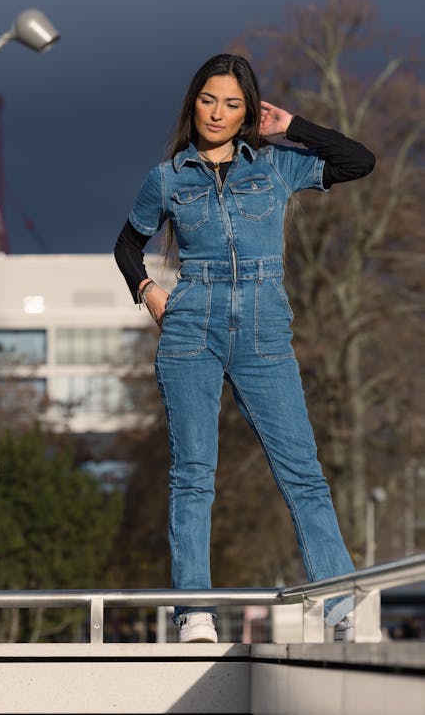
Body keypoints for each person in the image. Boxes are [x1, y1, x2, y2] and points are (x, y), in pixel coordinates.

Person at [114, 54, 375, 643]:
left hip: (264, 331)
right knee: (193, 475)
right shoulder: (168, 177)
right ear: (194, 103)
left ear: (248, 112)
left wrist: (294, 128)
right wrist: (148, 290)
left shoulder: (278, 167)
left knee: (303, 473)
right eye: (209, 100)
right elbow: (127, 243)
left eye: (233, 104)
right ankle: (195, 613)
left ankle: (339, 609)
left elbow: (359, 161)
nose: (218, 113)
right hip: (190, 328)